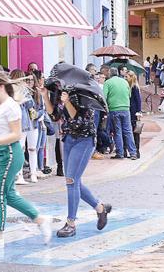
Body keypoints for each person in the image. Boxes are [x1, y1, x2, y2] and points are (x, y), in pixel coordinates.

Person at [0, 71, 51, 249]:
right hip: (0, 153)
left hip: (9, 153)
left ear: (1, 86)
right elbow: (0, 129)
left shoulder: (11, 106)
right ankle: (40, 219)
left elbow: (16, 134)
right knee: (7, 194)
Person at [40, 71, 112, 239]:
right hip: (68, 139)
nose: (57, 85)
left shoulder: (83, 94)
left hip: (84, 140)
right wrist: (45, 96)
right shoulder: (59, 93)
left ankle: (71, 223)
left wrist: (67, 102)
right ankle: (100, 208)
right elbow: (55, 116)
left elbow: (79, 120)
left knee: (71, 180)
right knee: (73, 180)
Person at [9, 69, 37, 185]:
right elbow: (31, 105)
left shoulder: (10, 90)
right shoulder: (23, 90)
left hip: (17, 122)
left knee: (20, 148)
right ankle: (30, 173)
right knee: (26, 148)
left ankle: (19, 174)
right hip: (25, 122)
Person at [104, 67, 138, 160]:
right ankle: (133, 153)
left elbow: (104, 97)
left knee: (117, 132)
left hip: (114, 109)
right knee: (128, 131)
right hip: (126, 109)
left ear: (110, 73)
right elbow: (129, 95)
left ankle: (120, 153)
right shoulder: (124, 82)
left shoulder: (108, 83)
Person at [127, 71, 142, 159]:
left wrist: (138, 112)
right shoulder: (130, 87)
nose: (126, 78)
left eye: (127, 77)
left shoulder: (134, 87)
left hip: (134, 112)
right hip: (131, 111)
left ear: (131, 77)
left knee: (135, 131)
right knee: (132, 131)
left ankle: (137, 151)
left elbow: (138, 100)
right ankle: (134, 151)